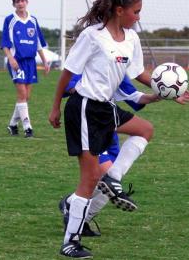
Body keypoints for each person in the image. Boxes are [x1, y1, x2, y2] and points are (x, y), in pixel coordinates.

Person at [48, 0, 189, 259]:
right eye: (135, 11)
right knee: (89, 180)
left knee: (144, 130)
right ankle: (70, 242)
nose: (139, 17)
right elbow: (67, 74)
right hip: (85, 109)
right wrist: (55, 107)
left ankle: (113, 176)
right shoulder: (93, 36)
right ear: (119, 10)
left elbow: (138, 72)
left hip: (107, 107)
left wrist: (166, 90)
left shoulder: (131, 39)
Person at [59, 74, 158, 237]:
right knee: (106, 177)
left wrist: (156, 96)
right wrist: (82, 88)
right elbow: (67, 84)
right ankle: (73, 224)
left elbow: (133, 96)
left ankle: (76, 211)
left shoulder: (117, 62)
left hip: (110, 126)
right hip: (90, 122)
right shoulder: (88, 61)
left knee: (110, 181)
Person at [1, 0, 50, 138]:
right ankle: (28, 128)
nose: (20, 3)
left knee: (26, 96)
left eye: (22, 1)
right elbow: (5, 43)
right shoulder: (10, 20)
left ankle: (12, 125)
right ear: (14, 4)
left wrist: (45, 60)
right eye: (17, 1)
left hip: (30, 62)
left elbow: (39, 44)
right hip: (17, 61)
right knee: (22, 93)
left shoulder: (33, 21)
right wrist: (11, 58)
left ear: (27, 2)